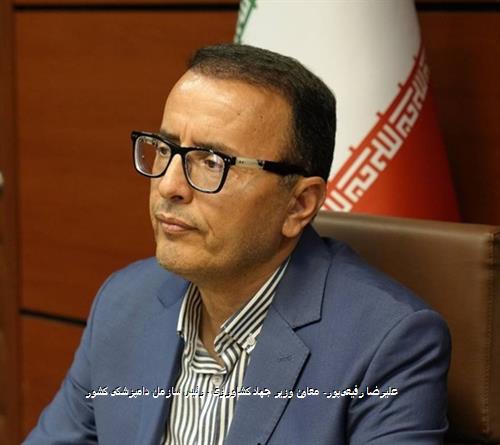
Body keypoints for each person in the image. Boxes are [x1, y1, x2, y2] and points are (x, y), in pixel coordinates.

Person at [24, 43, 450, 445]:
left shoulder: (386, 345)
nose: (168, 186)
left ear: (299, 204)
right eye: (165, 148)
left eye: (212, 162)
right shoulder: (124, 303)